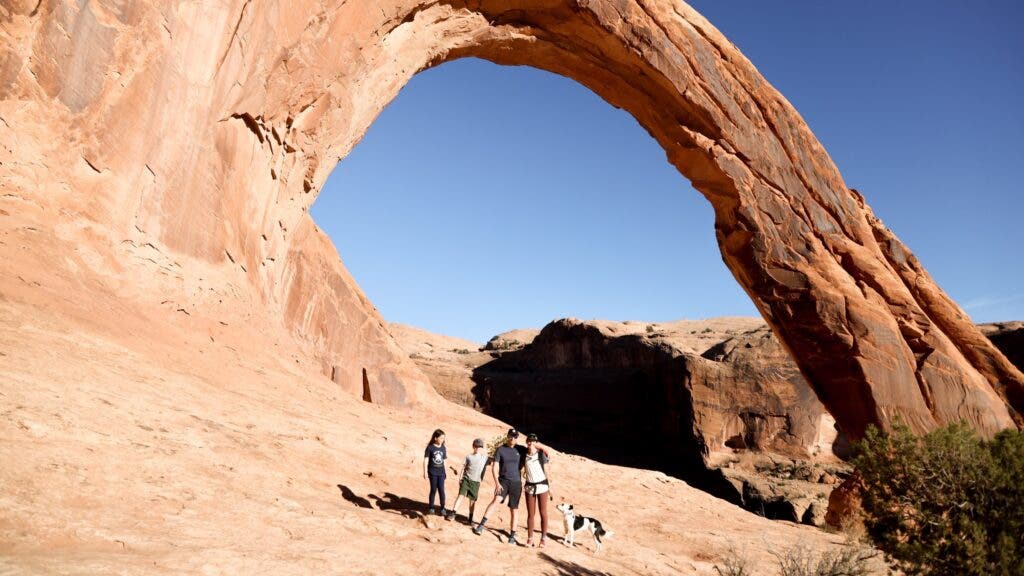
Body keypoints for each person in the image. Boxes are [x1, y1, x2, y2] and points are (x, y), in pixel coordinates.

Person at [444, 438, 488, 523]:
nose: (478, 448)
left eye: (479, 447)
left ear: (481, 448)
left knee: (472, 501)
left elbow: (495, 461)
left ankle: (470, 518)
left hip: (476, 482)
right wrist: (460, 478)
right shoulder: (469, 457)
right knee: (460, 496)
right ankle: (453, 513)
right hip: (466, 479)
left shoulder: (484, 458)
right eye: (476, 446)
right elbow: (463, 467)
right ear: (473, 446)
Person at [522, 433, 553, 547]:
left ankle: (543, 538)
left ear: (536, 443)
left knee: (543, 512)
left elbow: (546, 471)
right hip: (529, 486)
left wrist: (550, 487)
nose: (531, 443)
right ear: (526, 442)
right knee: (531, 514)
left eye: (533, 441)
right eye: (529, 441)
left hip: (542, 486)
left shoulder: (541, 455)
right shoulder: (523, 454)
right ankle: (530, 539)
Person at [423, 429, 447, 515]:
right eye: (441, 438)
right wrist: (425, 472)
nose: (442, 440)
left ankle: (443, 508)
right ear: (435, 438)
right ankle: (431, 507)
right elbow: (426, 460)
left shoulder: (443, 448)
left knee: (441, 489)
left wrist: (445, 472)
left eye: (443, 438)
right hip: (432, 472)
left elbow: (444, 460)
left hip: (441, 473)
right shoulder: (430, 448)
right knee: (433, 489)